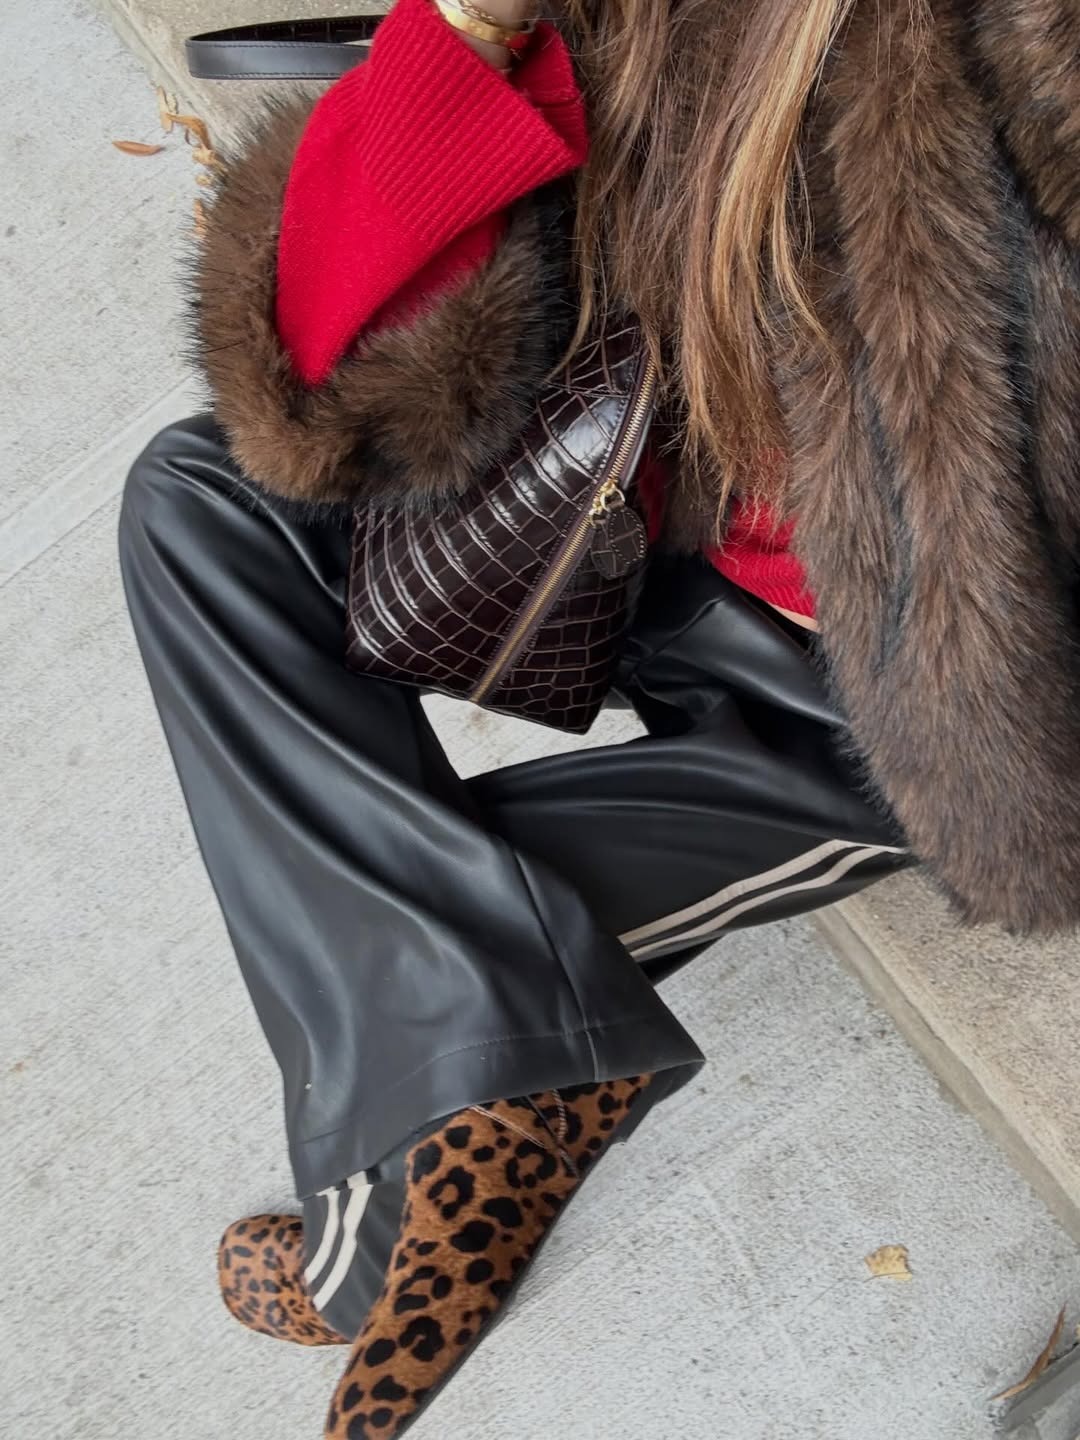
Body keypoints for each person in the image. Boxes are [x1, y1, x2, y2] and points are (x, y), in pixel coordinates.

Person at [118, 0, 1080, 1434]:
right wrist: (460, 41)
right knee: (193, 499)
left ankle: (384, 1223)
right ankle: (467, 1120)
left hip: (885, 679)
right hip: (616, 525)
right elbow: (325, 381)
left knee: (414, 923)